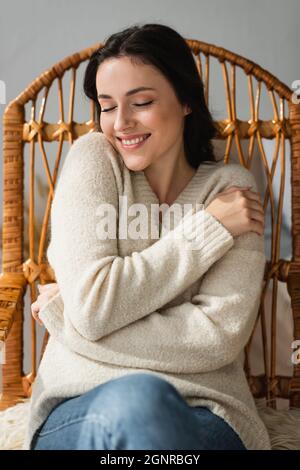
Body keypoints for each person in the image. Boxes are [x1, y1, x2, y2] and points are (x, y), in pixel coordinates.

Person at [27, 23, 270, 450]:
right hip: (82, 405)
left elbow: (216, 337)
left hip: (207, 412)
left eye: (141, 102)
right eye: (106, 106)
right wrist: (208, 231)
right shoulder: (94, 160)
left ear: (187, 101)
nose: (120, 124)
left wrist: (65, 317)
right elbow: (95, 308)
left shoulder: (231, 192)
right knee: (141, 403)